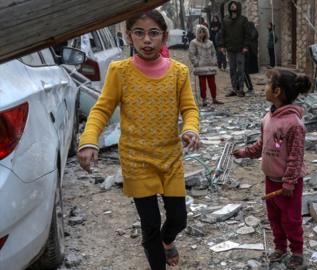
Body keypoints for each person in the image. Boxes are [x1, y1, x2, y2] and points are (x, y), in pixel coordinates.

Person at [76, 10, 200, 270]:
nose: (147, 40)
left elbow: (189, 109)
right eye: (139, 33)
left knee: (179, 219)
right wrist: (89, 140)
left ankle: (169, 241)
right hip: (136, 160)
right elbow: (101, 109)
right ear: (128, 36)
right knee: (150, 225)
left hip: (170, 158)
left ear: (164, 37)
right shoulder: (119, 71)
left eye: (153, 33)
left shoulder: (179, 72)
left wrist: (191, 129)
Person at [233, 69, 312, 270]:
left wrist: (289, 183)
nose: (265, 87)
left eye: (268, 84)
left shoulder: (294, 124)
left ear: (277, 91)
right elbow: (268, 145)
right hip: (271, 179)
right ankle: (280, 247)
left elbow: (295, 157)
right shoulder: (269, 117)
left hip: (288, 184)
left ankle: (297, 252)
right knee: (274, 217)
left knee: (291, 219)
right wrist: (244, 152)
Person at [218, 1, 249, 97]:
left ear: (238, 7)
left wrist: (246, 46)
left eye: (234, 5)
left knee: (240, 70)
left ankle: (241, 89)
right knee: (232, 69)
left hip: (240, 49)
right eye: (231, 5)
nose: (232, 6)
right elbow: (222, 34)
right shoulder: (225, 20)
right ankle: (234, 89)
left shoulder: (243, 19)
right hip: (230, 48)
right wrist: (222, 46)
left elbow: (247, 34)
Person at [189, 25, 223, 106]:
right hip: (201, 67)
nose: (202, 34)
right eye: (200, 32)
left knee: (212, 83)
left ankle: (214, 98)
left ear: (206, 32)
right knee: (202, 84)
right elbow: (191, 54)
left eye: (203, 32)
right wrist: (197, 63)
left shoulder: (210, 43)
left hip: (210, 65)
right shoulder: (194, 43)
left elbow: (213, 53)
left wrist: (214, 61)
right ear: (197, 33)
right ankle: (204, 99)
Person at [244, 21, 259, 93]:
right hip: (250, 49)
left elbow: (252, 37)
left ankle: (250, 87)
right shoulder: (251, 31)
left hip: (251, 50)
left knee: (245, 70)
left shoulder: (253, 31)